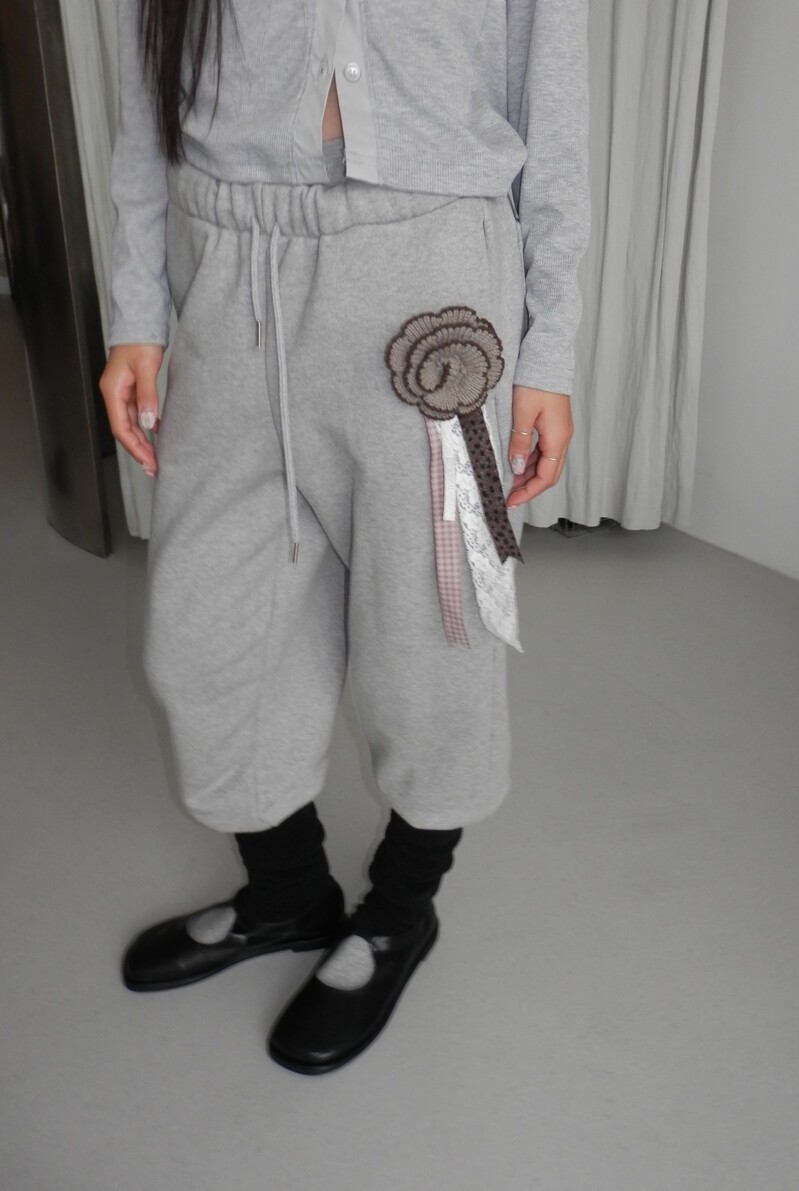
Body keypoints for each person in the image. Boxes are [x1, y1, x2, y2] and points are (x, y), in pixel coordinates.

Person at [99, 0, 590, 1074]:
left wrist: (549, 353)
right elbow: (144, 106)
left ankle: (400, 910)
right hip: (227, 277)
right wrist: (136, 313)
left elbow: (552, 125)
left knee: (437, 634)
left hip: (433, 284)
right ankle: (288, 895)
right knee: (209, 633)